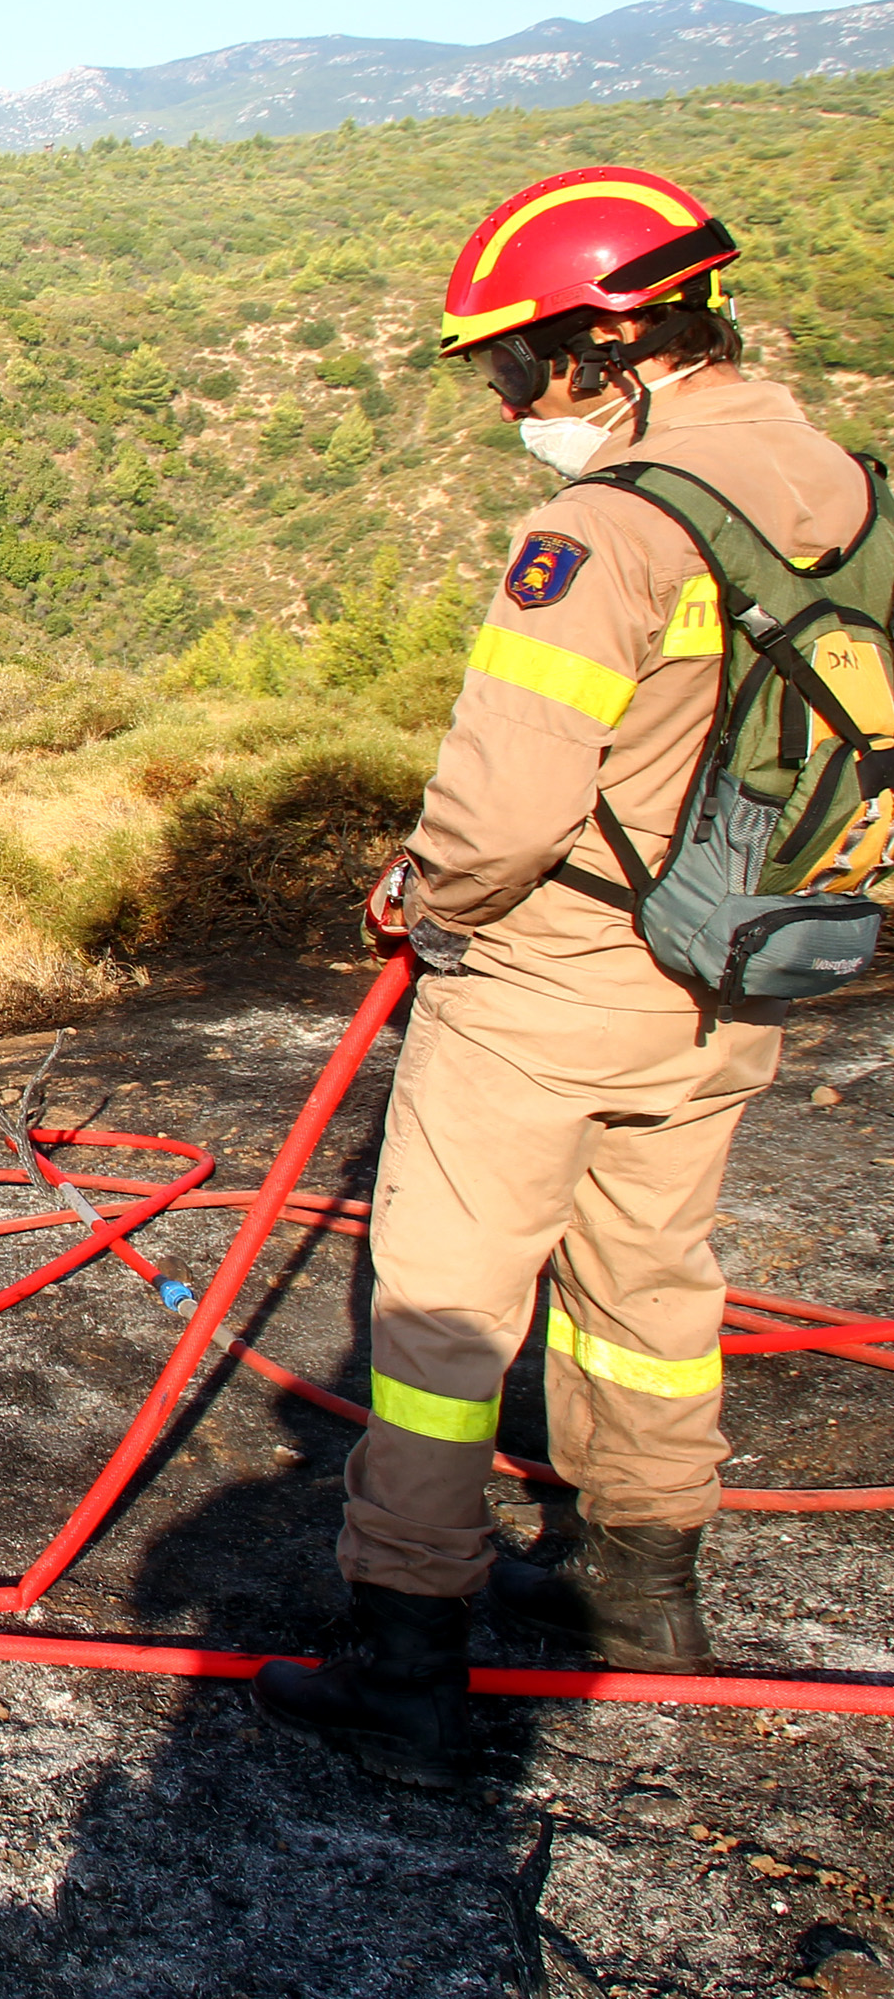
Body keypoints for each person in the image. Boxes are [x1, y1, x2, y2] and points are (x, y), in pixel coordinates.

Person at [257, 165, 866, 1787]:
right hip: (742, 961)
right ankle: (643, 1591)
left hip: (554, 974)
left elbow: (507, 805)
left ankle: (405, 1655)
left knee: (451, 1306)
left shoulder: (605, 526)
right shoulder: (839, 482)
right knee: (651, 1284)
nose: (512, 400)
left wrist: (421, 892)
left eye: (517, 366)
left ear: (607, 339)